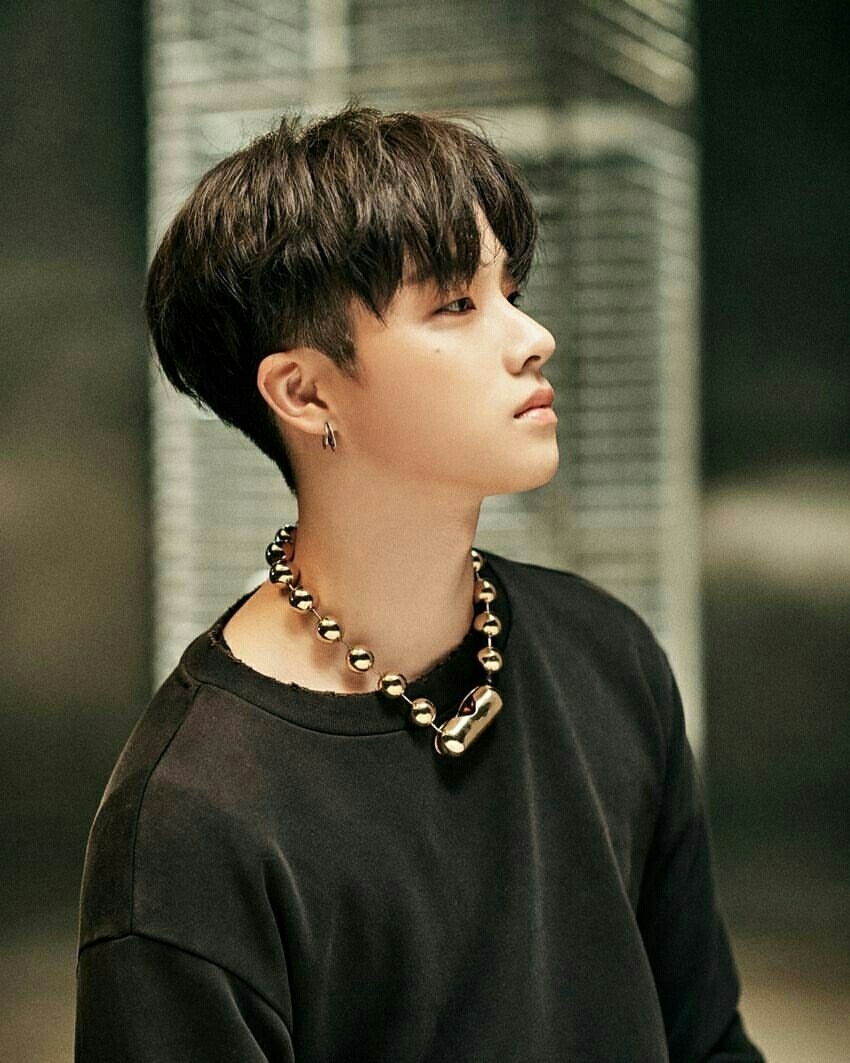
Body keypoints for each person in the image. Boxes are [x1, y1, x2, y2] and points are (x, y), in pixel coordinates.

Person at [75, 102, 766, 1061]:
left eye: (511, 290)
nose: (534, 337)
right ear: (304, 391)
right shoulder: (190, 821)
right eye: (456, 304)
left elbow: (707, 1042)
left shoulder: (609, 656)